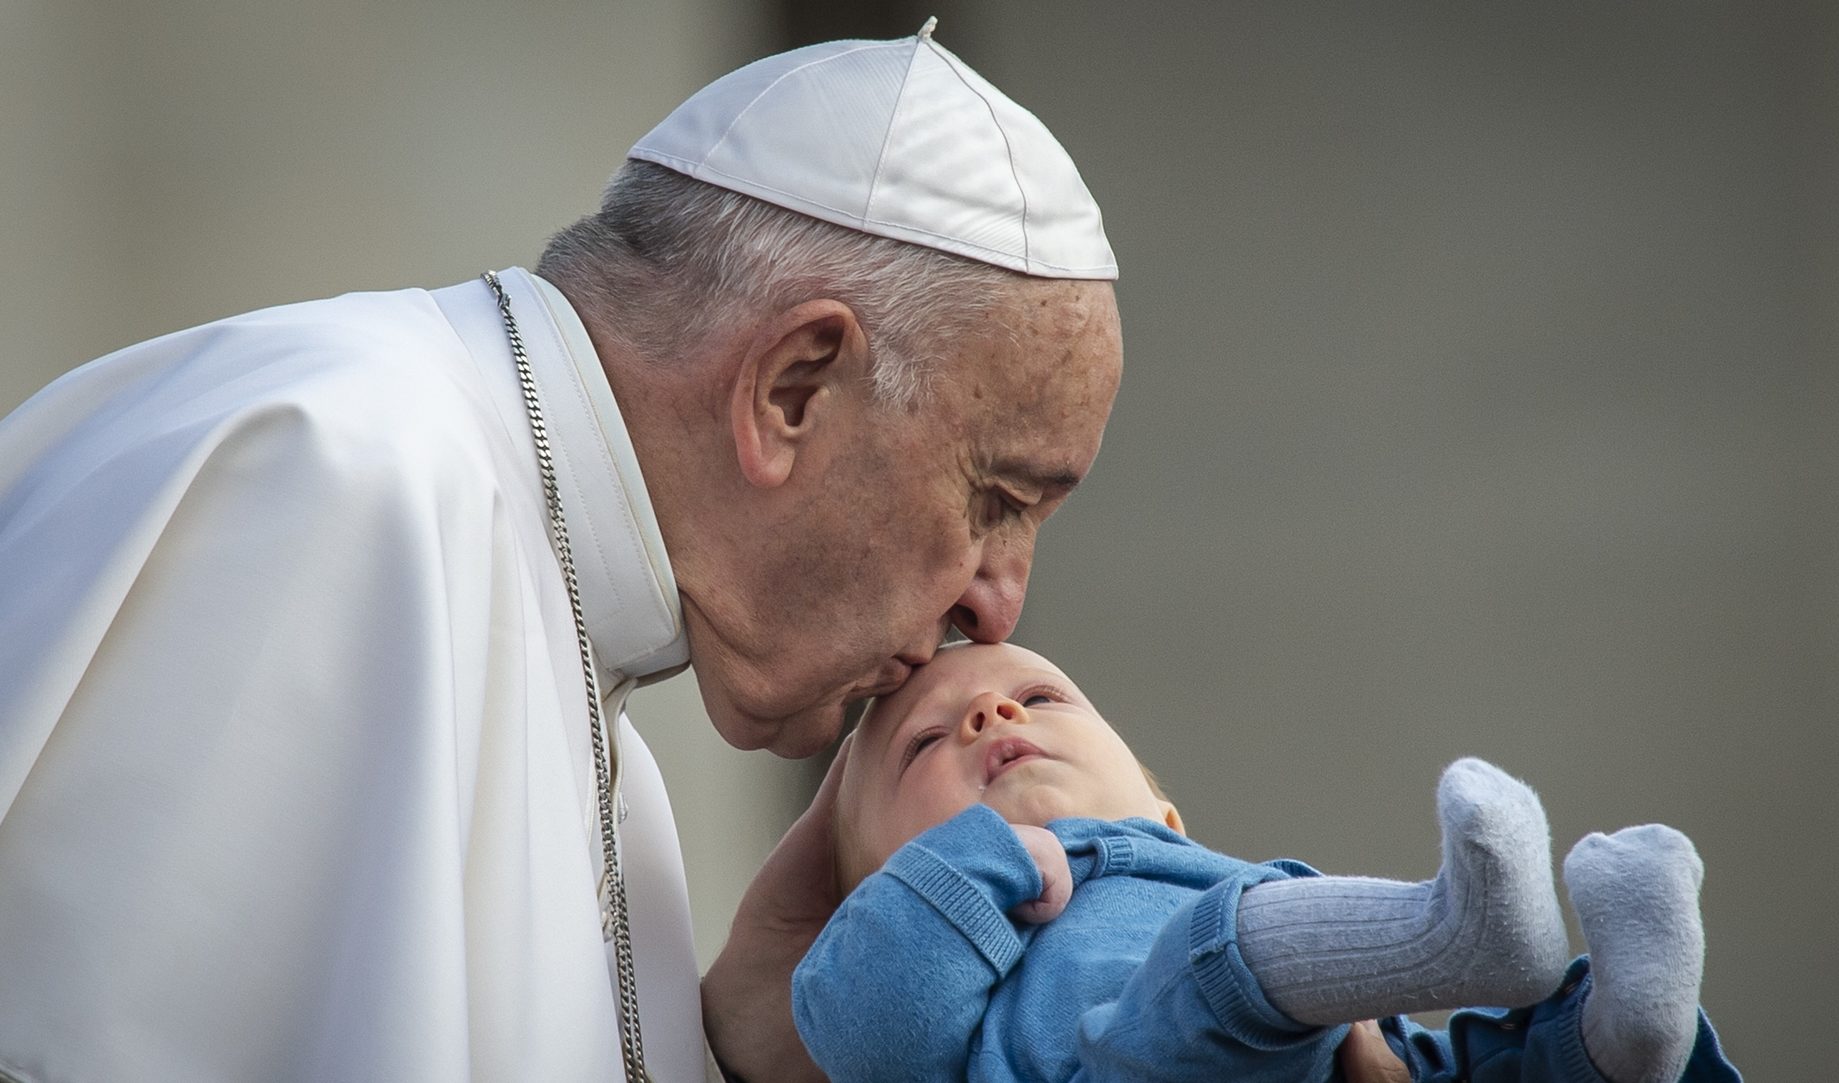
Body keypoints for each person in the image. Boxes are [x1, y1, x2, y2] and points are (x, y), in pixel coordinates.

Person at [0, 25, 1156, 1083]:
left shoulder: (585, 676)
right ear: (794, 389)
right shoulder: (336, 477)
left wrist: (743, 1053)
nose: (998, 608)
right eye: (996, 499)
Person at [791, 642, 1743, 1083]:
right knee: (1216, 961)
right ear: (877, 889)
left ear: (1162, 810)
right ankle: (1454, 927)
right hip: (1125, 1065)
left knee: (1482, 1060)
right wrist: (973, 866)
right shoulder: (927, 936)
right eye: (923, 745)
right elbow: (869, 1023)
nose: (993, 716)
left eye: (1038, 694)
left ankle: (1629, 1036)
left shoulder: (1191, 867)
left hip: (1343, 1054)